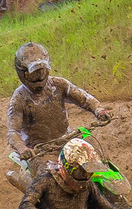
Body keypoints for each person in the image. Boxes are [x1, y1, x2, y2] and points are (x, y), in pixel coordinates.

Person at [6, 40, 110, 174]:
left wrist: (99, 110)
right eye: (33, 73)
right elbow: (13, 132)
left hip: (67, 140)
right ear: (22, 73)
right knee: (49, 177)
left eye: (41, 71)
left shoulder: (59, 84)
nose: (38, 77)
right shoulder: (19, 98)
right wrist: (23, 149)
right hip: (39, 151)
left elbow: (85, 98)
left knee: (96, 155)